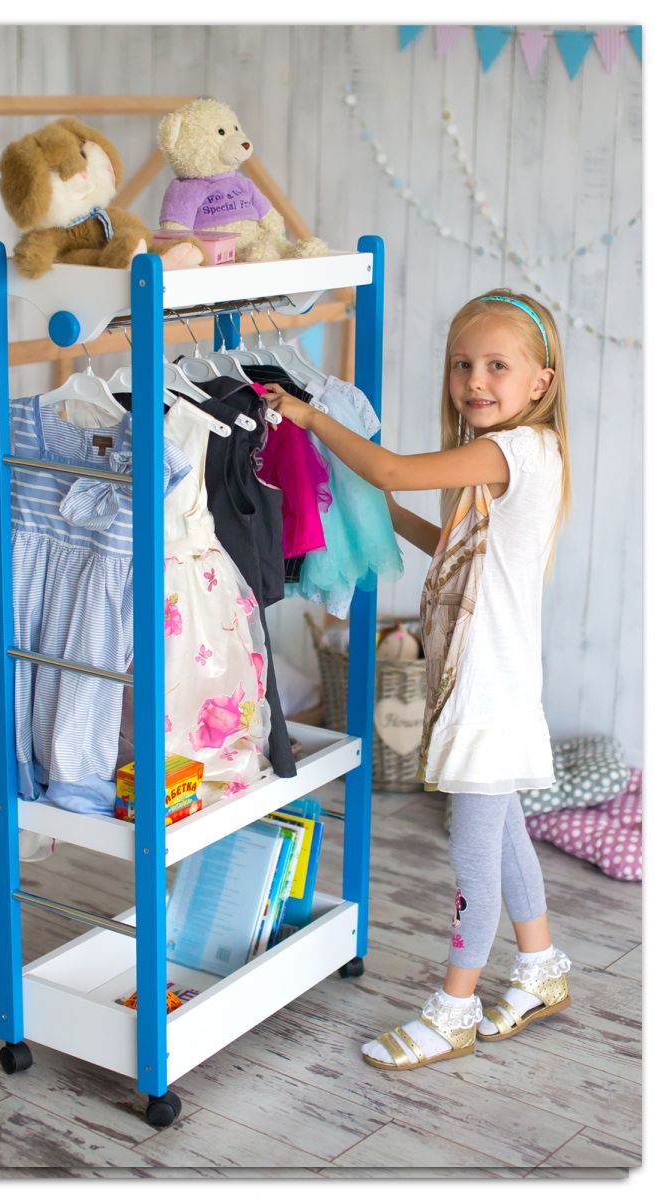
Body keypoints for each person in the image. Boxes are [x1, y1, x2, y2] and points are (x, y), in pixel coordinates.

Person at [264, 291, 573, 1071]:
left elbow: (393, 464)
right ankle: (540, 966)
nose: (475, 381)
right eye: (463, 365)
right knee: (503, 833)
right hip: (491, 685)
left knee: (472, 858)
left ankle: (453, 1009)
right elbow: (455, 550)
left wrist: (309, 417)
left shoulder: (515, 450)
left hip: (488, 694)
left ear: (540, 381)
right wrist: (386, 510)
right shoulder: (513, 456)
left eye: (497, 366)